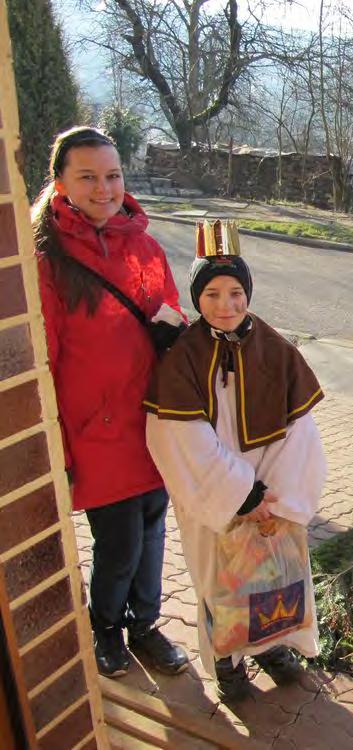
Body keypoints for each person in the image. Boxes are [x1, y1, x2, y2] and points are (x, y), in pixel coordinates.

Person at [34, 126, 190, 678]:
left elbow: (168, 313)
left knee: (152, 531)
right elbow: (44, 357)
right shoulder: (48, 260)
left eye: (113, 175)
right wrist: (55, 437)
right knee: (119, 541)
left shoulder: (143, 246)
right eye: (89, 177)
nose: (105, 188)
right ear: (60, 183)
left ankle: (145, 624)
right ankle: (106, 627)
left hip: (152, 421)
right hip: (94, 429)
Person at [144, 232, 326, 703]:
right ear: (196, 297)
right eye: (211, 294)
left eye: (236, 294)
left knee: (271, 577)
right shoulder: (182, 359)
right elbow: (180, 438)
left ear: (248, 295)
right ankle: (227, 660)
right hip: (217, 500)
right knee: (218, 579)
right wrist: (240, 493)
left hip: (271, 496)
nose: (225, 305)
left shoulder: (275, 348)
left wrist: (278, 497)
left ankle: (269, 646)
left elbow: (300, 430)